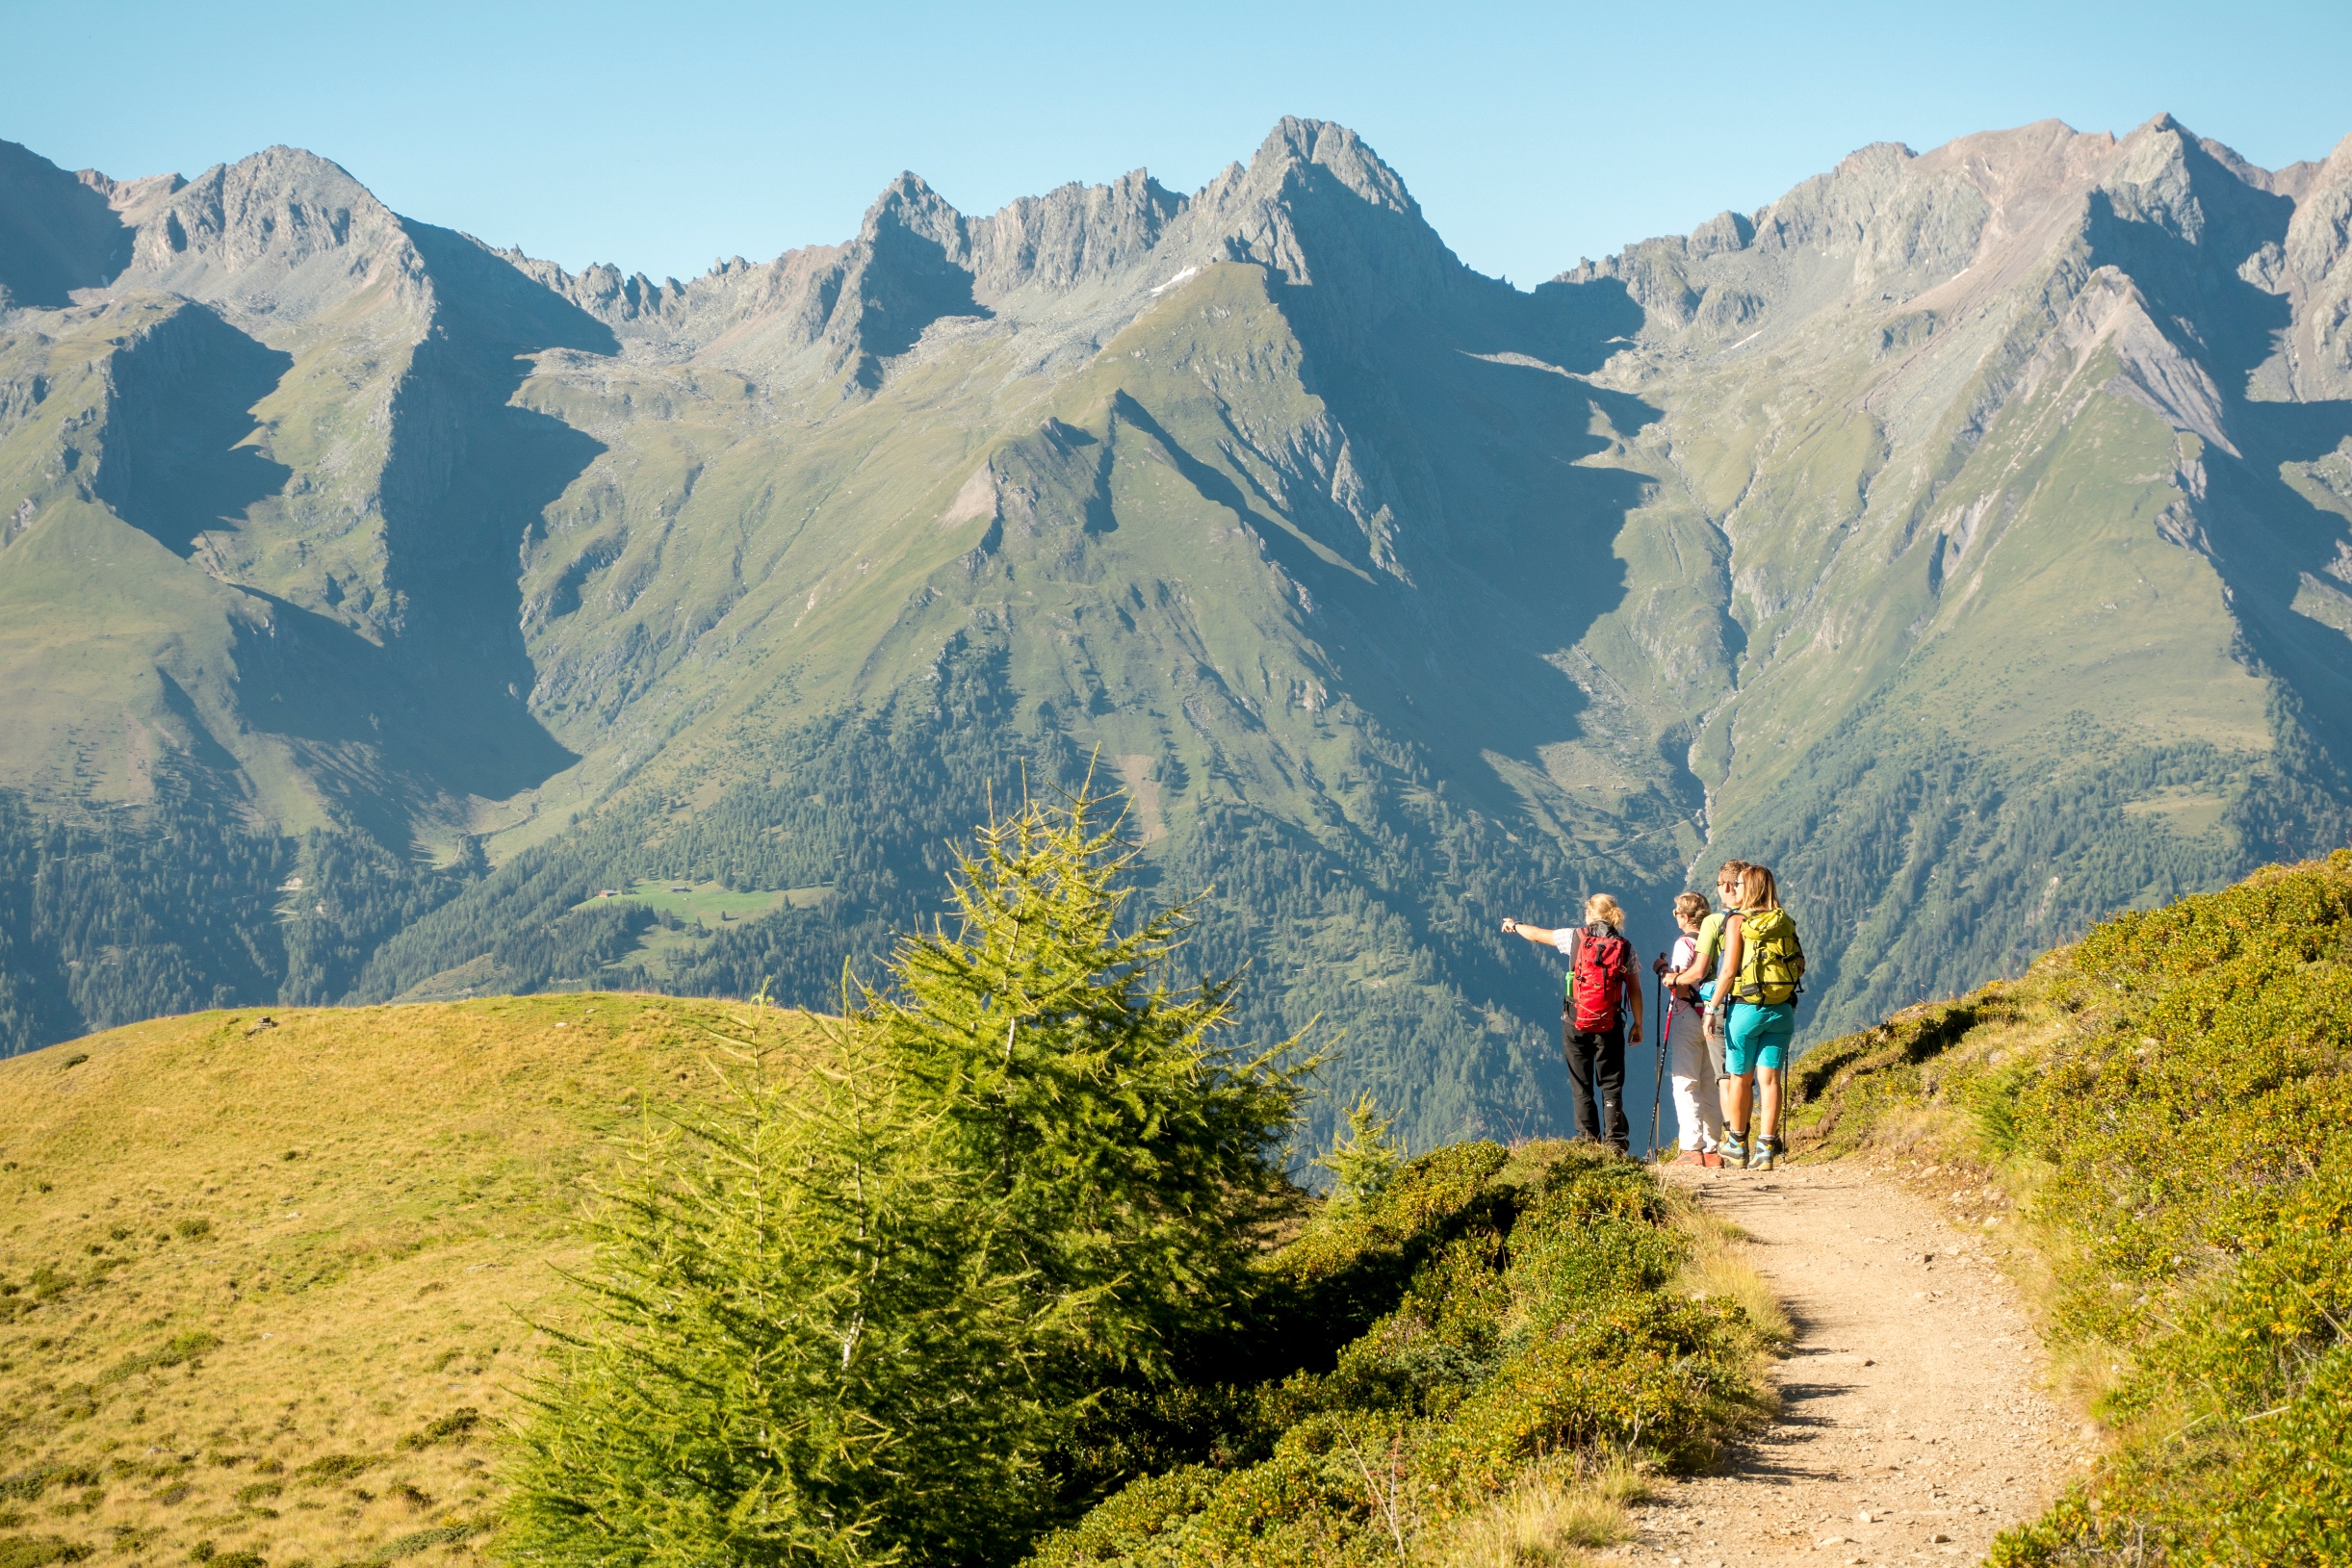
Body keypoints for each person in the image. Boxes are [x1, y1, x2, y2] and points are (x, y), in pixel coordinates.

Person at [1504, 894, 1642, 1154]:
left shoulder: (1574, 937)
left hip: (1576, 1021)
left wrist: (1514, 924)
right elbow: (1634, 989)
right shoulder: (1625, 947)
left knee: (1581, 1082)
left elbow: (1534, 934)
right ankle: (1615, 1143)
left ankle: (1588, 1139)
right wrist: (1638, 1023)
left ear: (1589, 913)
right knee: (1611, 1083)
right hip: (1610, 1023)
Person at [1706, 863, 1806, 1170]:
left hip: (1745, 1008)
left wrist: (1711, 1008)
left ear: (1747, 888)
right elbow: (1799, 964)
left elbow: (1727, 971)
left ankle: (1737, 1144)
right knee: (1770, 1080)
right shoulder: (1784, 920)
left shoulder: (1738, 921)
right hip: (1782, 1009)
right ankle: (1765, 1150)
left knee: (1740, 1077)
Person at [1653, 891, 1724, 1165]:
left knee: (1685, 1082)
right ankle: (1713, 1150)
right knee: (1711, 1083)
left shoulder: (1685, 943)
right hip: (1715, 1014)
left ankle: (1691, 1149)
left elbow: (1680, 985)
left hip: (1688, 1015)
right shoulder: (1717, 941)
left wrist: (1662, 971)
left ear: (1684, 917)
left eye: (1676, 913)